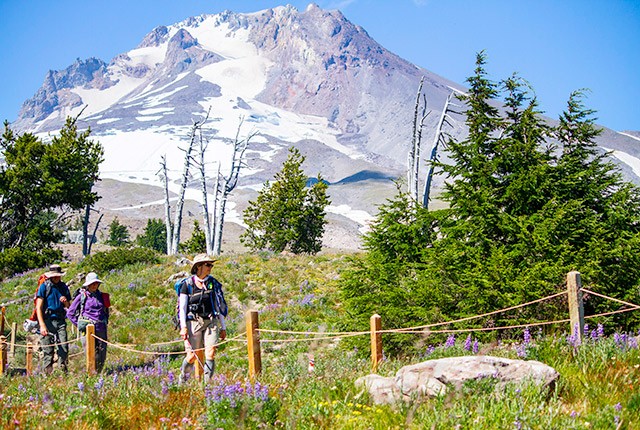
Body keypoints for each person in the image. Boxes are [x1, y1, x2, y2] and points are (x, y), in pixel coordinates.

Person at [177, 254, 228, 383]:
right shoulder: (187, 285)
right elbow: (182, 308)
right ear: (198, 267)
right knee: (192, 355)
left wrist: (223, 327)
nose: (210, 267)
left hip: (211, 321)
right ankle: (183, 378)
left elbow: (219, 304)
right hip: (193, 322)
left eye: (211, 265)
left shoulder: (213, 283)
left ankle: (206, 386)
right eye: (208, 265)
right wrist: (183, 327)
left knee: (210, 353)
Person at [67, 272, 110, 373]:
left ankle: (99, 373)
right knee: (90, 353)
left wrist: (105, 321)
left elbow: (106, 310)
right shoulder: (82, 296)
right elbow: (70, 313)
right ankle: (91, 374)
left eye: (96, 283)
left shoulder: (102, 296)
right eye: (92, 283)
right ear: (88, 285)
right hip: (88, 330)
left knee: (102, 353)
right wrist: (79, 325)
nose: (94, 285)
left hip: (101, 328)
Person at [35, 264, 71, 374]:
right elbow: (38, 307)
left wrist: (65, 302)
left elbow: (69, 306)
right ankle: (47, 374)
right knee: (48, 350)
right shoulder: (44, 287)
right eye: (54, 276)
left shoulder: (63, 287)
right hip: (47, 320)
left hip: (60, 321)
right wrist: (42, 325)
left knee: (64, 347)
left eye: (58, 276)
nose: (57, 278)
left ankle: (63, 372)